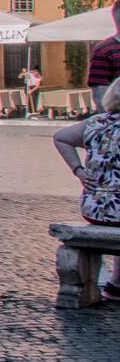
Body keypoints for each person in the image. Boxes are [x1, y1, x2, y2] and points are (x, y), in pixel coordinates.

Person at [53, 78, 120, 300]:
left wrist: (79, 171)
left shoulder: (95, 122)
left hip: (96, 209)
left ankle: (115, 285)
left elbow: (60, 138)